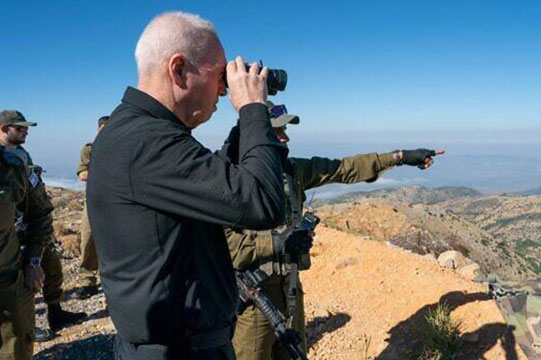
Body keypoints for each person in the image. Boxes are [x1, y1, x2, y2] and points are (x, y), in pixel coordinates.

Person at [87, 12, 291, 360]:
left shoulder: (141, 134)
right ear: (179, 70)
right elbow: (262, 203)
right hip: (178, 352)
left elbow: (215, 187)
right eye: (219, 75)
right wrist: (253, 109)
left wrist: (242, 131)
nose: (224, 90)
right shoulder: (146, 143)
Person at [228, 102, 445, 360]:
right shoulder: (232, 179)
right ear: (254, 136)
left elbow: (344, 168)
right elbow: (228, 247)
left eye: (284, 130)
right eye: (277, 132)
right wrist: (278, 243)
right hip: (255, 299)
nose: (285, 138)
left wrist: (400, 157)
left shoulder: (291, 171)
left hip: (290, 290)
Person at [0, 110, 85, 339]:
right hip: (10, 234)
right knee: (20, 285)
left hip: (29, 226)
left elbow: (33, 194)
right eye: (20, 128)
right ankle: (26, 326)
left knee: (50, 267)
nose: (25, 131)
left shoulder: (20, 155)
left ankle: (54, 313)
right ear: (3, 128)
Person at [0, 110, 54, 360]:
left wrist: (33, 261)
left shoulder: (15, 166)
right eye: (20, 128)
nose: (25, 132)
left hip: (8, 282)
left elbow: (41, 213)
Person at [73, 115, 109, 300]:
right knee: (87, 240)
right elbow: (83, 174)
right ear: (99, 129)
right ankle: (87, 281)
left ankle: (111, 282)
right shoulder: (90, 149)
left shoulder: (119, 148)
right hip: (94, 201)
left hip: (115, 203)